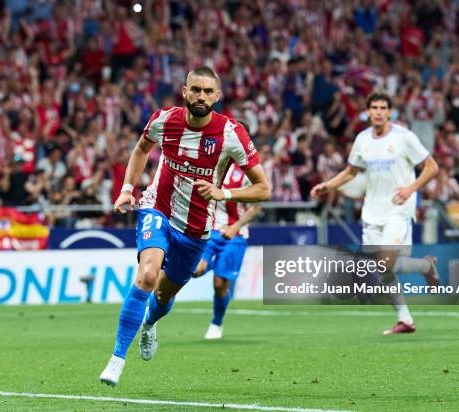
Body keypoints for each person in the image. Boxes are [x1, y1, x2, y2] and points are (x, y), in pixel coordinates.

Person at [99, 66, 270, 386]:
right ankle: (117, 358)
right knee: (148, 275)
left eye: (208, 92)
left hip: (196, 228)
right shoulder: (164, 119)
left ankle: (149, 325)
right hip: (157, 209)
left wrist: (225, 192)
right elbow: (140, 149)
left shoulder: (231, 133)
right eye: (196, 90)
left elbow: (264, 188)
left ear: (217, 96)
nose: (201, 96)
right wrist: (127, 188)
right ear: (185, 91)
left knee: (163, 297)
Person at [311, 92, 440, 335]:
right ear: (368, 112)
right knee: (382, 269)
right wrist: (329, 185)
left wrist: (410, 189)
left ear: (390, 112)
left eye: (383, 108)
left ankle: (425, 268)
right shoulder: (362, 140)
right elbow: (351, 172)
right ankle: (407, 317)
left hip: (398, 209)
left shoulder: (404, 137)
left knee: (385, 263)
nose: (379, 112)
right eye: (374, 108)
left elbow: (432, 167)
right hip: (371, 212)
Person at [193, 160, 262, 340]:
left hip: (236, 235)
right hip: (211, 231)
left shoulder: (249, 171)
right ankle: (216, 263)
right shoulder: (214, 163)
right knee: (195, 270)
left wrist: (235, 227)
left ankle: (216, 323)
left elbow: (256, 207)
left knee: (219, 284)